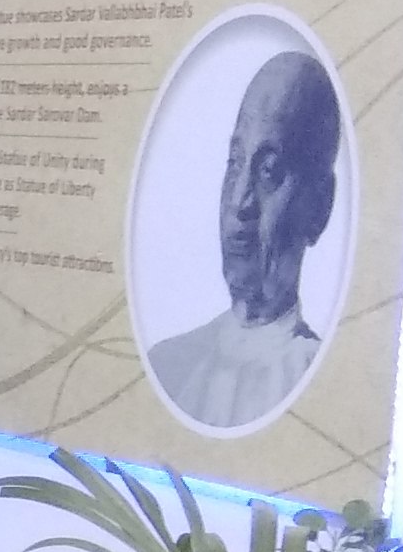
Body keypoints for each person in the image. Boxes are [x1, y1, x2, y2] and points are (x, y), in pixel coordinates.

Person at [146, 51, 344, 431]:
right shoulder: (168, 365)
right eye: (235, 163)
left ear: (320, 206)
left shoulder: (322, 390)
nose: (241, 202)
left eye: (269, 171)